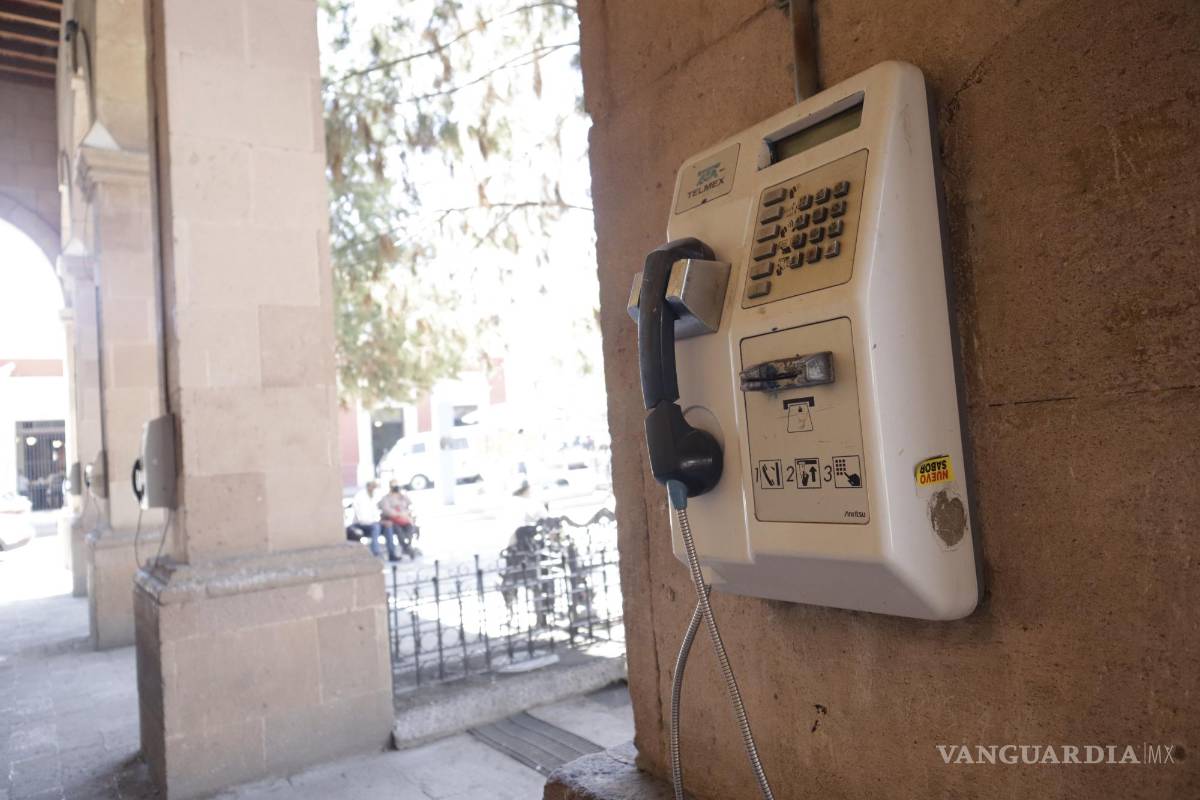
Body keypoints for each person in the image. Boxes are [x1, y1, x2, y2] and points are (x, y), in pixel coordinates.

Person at [347, 480, 398, 561]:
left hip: (374, 523)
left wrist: (383, 520)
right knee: (376, 527)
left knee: (388, 526)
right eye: (373, 486)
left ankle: (392, 554)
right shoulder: (360, 496)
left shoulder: (376, 495)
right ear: (368, 486)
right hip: (361, 524)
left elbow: (379, 512)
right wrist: (379, 522)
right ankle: (375, 553)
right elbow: (362, 518)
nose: (374, 488)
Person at [378, 481, 414, 560]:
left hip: (404, 520)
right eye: (394, 486)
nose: (396, 488)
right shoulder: (386, 498)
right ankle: (406, 548)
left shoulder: (403, 497)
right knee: (398, 530)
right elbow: (386, 510)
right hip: (393, 520)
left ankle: (407, 546)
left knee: (410, 528)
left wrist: (406, 513)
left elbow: (410, 506)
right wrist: (398, 514)